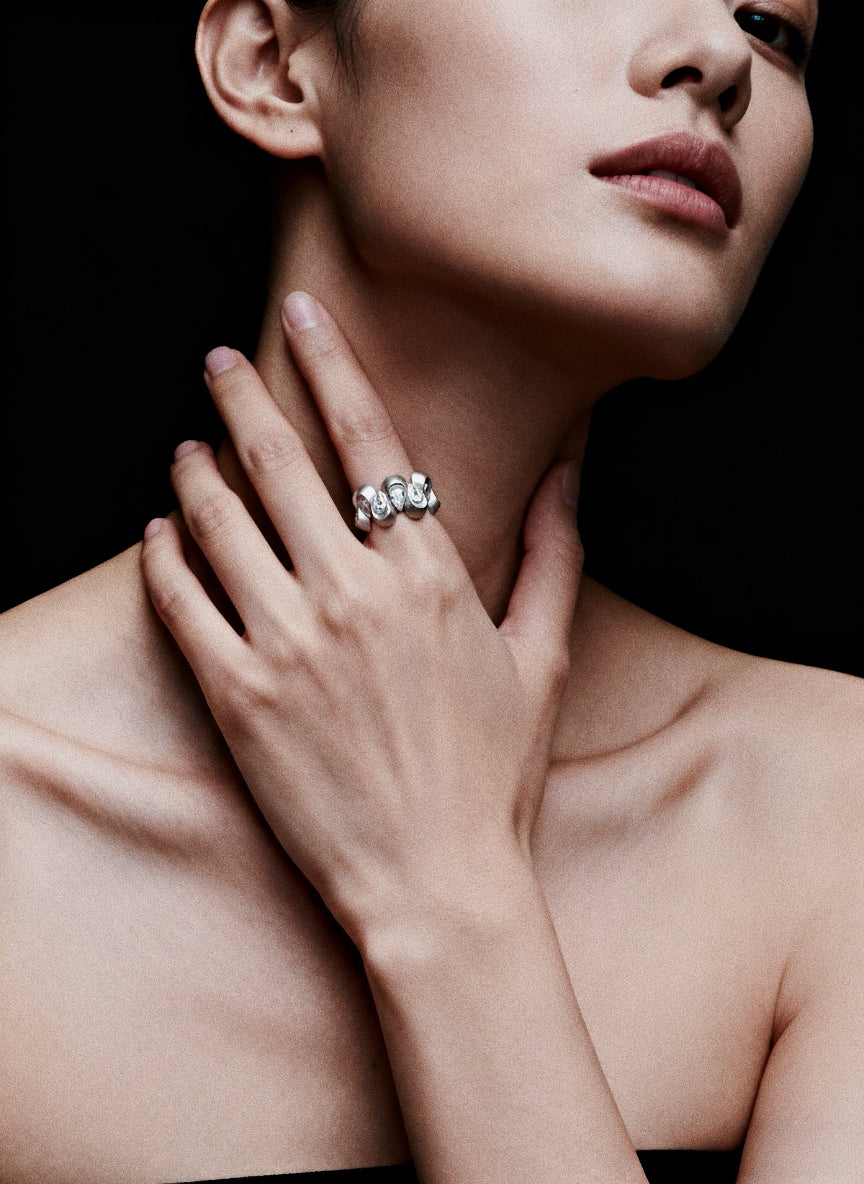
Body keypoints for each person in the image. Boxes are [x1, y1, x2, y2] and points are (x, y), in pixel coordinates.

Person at [1, 2, 861, 1183]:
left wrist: (450, 894)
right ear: (271, 65)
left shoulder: (834, 816)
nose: (715, 59)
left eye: (774, 27)